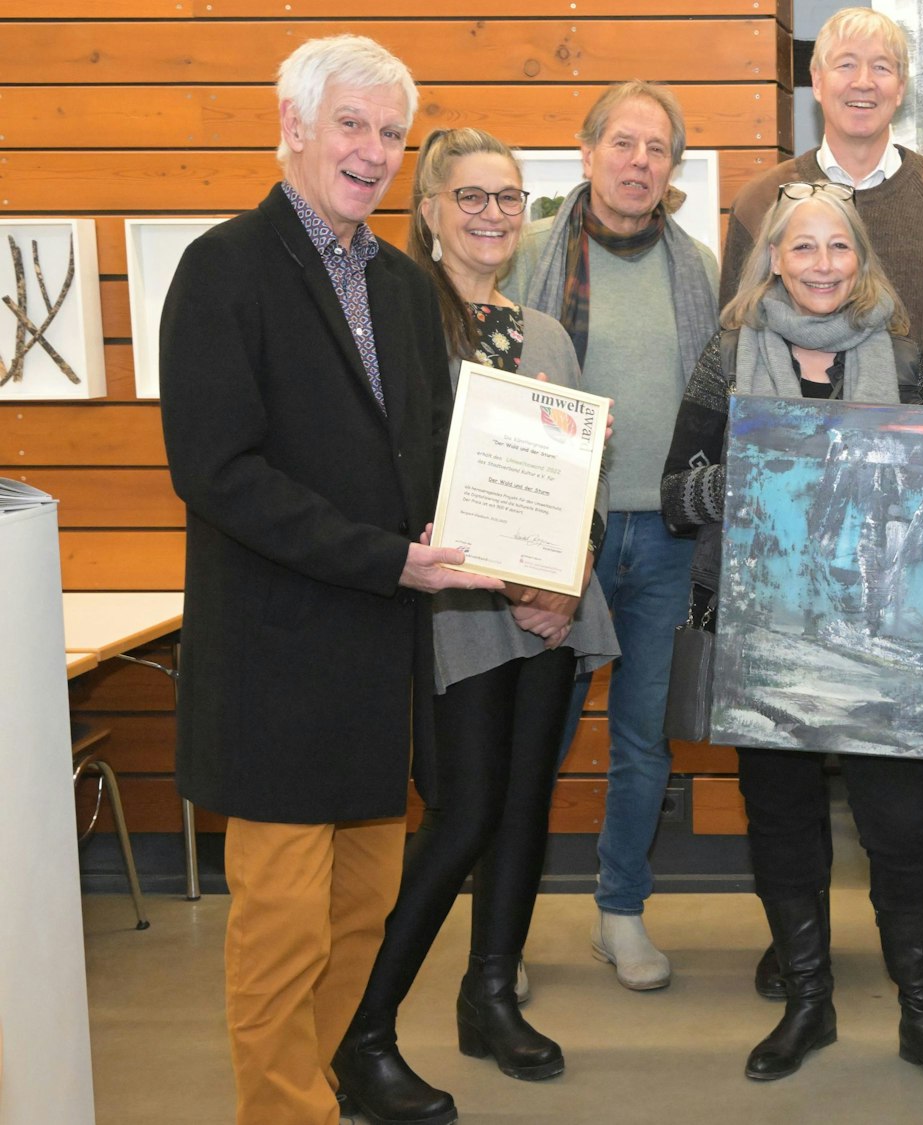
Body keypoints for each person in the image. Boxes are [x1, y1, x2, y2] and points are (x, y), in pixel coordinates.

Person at [157, 35, 504, 1125]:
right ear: (294, 124)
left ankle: (303, 1096)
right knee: (281, 932)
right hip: (273, 665)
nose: (373, 150)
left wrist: (513, 532)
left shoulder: (401, 285)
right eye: (352, 123)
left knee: (360, 913)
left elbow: (427, 455)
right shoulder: (223, 269)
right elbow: (217, 472)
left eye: (392, 132)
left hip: (374, 665)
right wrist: (387, 557)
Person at [660, 183, 923, 1097]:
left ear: (862, 258)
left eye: (839, 248)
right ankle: (809, 1003)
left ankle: (922, 1014)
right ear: (773, 259)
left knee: (902, 823)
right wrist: (761, 474)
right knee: (782, 819)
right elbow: (675, 495)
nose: (823, 265)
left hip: (880, 629)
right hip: (761, 621)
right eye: (802, 247)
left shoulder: (901, 355)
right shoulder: (730, 354)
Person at [329, 128, 622, 1125]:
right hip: (452, 605)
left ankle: (489, 996)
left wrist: (566, 575)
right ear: (429, 210)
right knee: (461, 815)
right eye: (471, 196)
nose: (493, 215)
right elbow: (387, 473)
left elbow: (581, 474)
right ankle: (364, 1034)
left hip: (545, 608)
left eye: (508, 197)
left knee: (524, 807)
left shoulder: (545, 335)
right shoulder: (399, 321)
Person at [721, 6, 923, 1001]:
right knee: (786, 765)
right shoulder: (763, 198)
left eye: (883, 64)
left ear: (902, 84)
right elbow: (739, 345)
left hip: (912, 529)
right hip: (784, 557)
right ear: (816, 81)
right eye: (845, 63)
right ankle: (797, 941)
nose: (864, 79)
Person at [504, 80, 720, 991]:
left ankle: (620, 912)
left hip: (666, 538)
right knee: (533, 741)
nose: (639, 162)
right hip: (556, 540)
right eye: (623, 143)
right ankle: (502, 937)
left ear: (672, 168)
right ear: (586, 152)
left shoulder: (700, 267)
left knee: (642, 743)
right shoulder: (524, 257)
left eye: (657, 148)